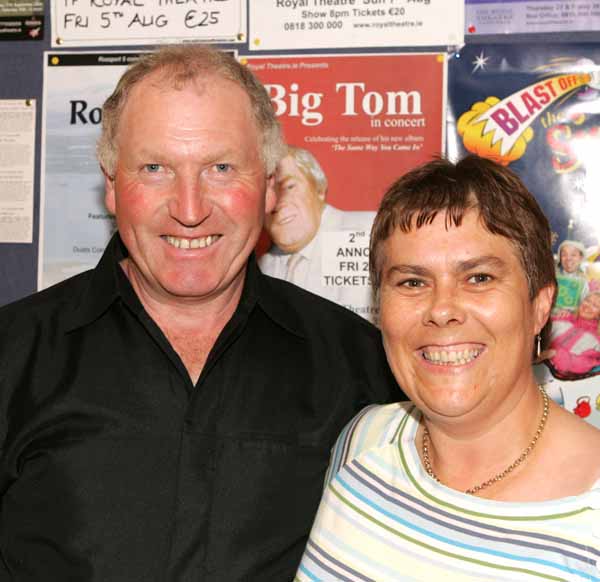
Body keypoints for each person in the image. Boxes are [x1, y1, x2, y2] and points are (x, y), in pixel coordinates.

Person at [0, 45, 400, 581]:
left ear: (268, 187)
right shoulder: (11, 355)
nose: (190, 210)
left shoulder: (363, 369)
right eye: (155, 168)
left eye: (221, 167)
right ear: (113, 186)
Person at [296, 156, 600, 581]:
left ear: (539, 306)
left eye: (478, 278)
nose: (441, 310)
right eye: (412, 282)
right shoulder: (364, 439)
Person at [259, 146, 377, 322]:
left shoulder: (366, 234)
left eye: (289, 187)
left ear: (319, 189)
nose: (277, 202)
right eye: (266, 193)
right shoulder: (264, 265)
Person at [549, 291, 600, 377]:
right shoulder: (563, 318)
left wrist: (554, 354)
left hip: (556, 383)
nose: (587, 306)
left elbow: (581, 365)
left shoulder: (596, 341)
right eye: (587, 300)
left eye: (595, 306)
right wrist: (555, 314)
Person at [554, 239, 588, 313]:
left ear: (581, 258)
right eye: (564, 255)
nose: (568, 258)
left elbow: (585, 306)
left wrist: (571, 312)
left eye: (573, 255)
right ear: (560, 258)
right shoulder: (553, 278)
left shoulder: (583, 282)